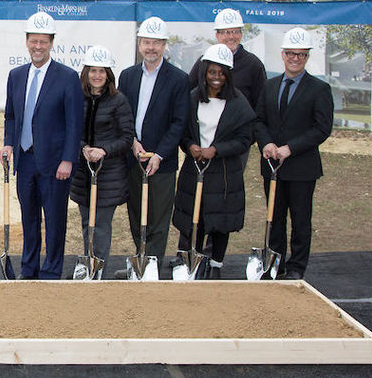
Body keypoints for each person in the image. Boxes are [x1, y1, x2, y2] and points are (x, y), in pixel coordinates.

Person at [0, 12, 84, 279]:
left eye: (43, 42)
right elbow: (12, 116)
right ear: (26, 41)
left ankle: (51, 270)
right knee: (29, 219)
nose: (38, 46)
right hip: (25, 162)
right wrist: (8, 144)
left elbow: (74, 123)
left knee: (55, 220)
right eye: (33, 41)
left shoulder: (67, 77)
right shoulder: (16, 76)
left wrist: (68, 160)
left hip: (55, 163)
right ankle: (29, 268)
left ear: (51, 43)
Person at [253, 27, 333, 279]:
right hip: (273, 166)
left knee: (300, 220)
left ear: (307, 56)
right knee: (274, 219)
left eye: (300, 54)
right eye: (290, 53)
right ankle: (275, 264)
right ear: (283, 54)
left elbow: (322, 128)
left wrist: (291, 148)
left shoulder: (319, 89)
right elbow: (258, 121)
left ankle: (297, 266)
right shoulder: (269, 86)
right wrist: (266, 143)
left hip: (302, 168)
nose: (295, 58)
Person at [171, 44, 256, 279]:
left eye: (221, 73)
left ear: (228, 75)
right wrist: (190, 146)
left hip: (224, 172)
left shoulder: (238, 103)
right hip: (194, 169)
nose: (216, 78)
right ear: (204, 72)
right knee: (194, 218)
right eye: (212, 72)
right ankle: (192, 262)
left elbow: (245, 139)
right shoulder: (192, 99)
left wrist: (216, 150)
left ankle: (215, 266)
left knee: (220, 221)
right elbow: (183, 132)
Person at [116, 16, 189, 271]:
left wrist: (159, 154)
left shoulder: (179, 79)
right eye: (147, 42)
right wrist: (133, 143)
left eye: (156, 43)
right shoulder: (127, 76)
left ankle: (152, 267)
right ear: (139, 44)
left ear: (164, 45)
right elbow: (122, 115)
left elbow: (179, 122)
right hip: (133, 157)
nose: (151, 48)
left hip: (161, 162)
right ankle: (140, 261)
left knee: (157, 217)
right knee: (136, 214)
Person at [68, 45, 135, 266]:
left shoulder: (118, 101)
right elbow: (70, 130)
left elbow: (126, 138)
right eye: (93, 71)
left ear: (109, 75)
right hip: (83, 174)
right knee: (87, 222)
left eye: (102, 71)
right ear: (86, 73)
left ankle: (99, 269)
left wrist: (103, 150)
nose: (97, 76)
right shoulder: (77, 97)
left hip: (109, 175)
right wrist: (83, 148)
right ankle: (87, 264)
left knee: (102, 225)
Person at [187, 8, 267, 111]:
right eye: (226, 32)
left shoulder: (254, 65)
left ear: (241, 34)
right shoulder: (204, 62)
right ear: (217, 35)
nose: (231, 36)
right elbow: (188, 93)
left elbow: (261, 104)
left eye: (235, 31)